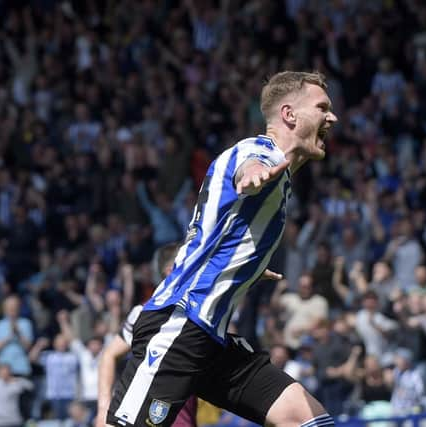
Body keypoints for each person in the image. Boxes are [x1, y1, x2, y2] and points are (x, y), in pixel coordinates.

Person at [106, 71, 338, 427]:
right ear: (290, 114)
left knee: (307, 419)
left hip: (210, 337)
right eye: (322, 107)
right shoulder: (257, 151)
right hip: (180, 324)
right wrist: (253, 174)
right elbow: (247, 168)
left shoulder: (283, 178)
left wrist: (252, 264)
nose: (331, 117)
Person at [97, 243, 198, 427]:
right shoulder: (143, 314)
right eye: (192, 262)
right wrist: (103, 408)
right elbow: (109, 355)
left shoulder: (201, 316)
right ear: (171, 271)